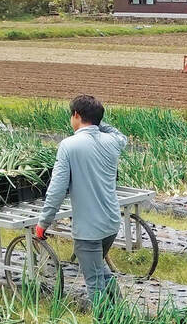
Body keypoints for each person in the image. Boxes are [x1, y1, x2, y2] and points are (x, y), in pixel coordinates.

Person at [36, 95, 127, 299]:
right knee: (101, 270)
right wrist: (98, 123)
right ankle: (120, 314)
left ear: (76, 115)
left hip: (88, 229)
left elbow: (57, 189)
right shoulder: (113, 141)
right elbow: (120, 135)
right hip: (111, 223)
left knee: (94, 281)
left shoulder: (69, 146)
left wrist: (44, 222)